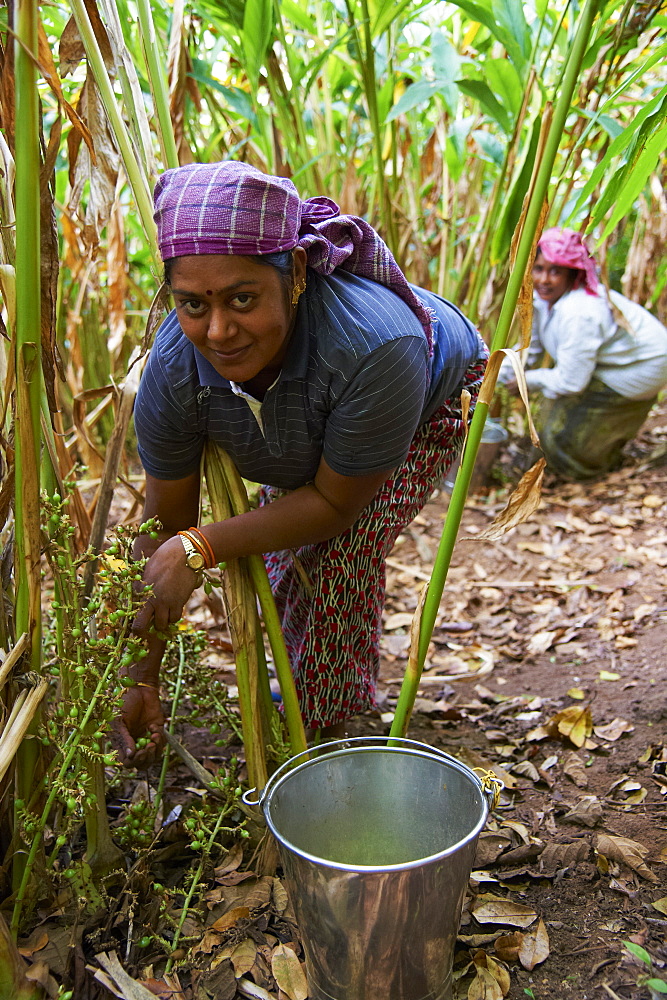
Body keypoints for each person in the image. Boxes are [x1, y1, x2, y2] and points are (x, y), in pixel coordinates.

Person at [115, 161, 487, 766]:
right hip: (327, 404)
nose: (219, 331)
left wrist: (202, 546)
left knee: (338, 552)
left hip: (430, 399)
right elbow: (163, 533)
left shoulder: (377, 345)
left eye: (243, 298)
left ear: (296, 277)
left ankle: (320, 732)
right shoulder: (174, 371)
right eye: (191, 304)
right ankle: (304, 687)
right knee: (285, 549)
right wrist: (141, 676)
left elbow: (338, 504)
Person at [504, 227, 667, 480]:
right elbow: (529, 348)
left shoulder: (579, 312)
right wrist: (497, 374)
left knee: (562, 438)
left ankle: (583, 473)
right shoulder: (542, 299)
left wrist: (528, 381)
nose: (544, 279)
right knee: (552, 417)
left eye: (555, 271)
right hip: (612, 363)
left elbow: (572, 381)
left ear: (572, 274)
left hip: (641, 367)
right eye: (539, 268)